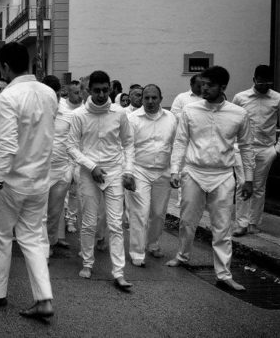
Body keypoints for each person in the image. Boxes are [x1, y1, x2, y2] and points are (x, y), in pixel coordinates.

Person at [0, 42, 56, 319]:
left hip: (12, 181)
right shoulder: (49, 93)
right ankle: (44, 298)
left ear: (6, 67)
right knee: (33, 239)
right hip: (39, 179)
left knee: (0, 238)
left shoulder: (8, 97)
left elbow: (8, 144)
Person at [167, 65, 254, 291]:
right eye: (202, 84)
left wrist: (249, 179)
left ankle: (224, 274)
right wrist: (175, 170)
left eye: (210, 85)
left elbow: (246, 148)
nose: (204, 88)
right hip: (194, 172)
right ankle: (182, 255)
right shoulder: (191, 110)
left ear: (223, 87)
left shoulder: (239, 113)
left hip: (223, 175)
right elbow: (181, 141)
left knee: (223, 226)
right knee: (187, 221)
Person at [67, 70, 135, 291]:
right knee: (88, 222)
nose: (101, 94)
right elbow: (71, 147)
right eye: (97, 91)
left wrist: (128, 170)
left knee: (115, 224)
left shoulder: (119, 113)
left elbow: (128, 143)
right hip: (89, 173)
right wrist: (91, 166)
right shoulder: (79, 115)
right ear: (89, 91)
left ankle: (119, 273)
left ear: (110, 89)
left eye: (105, 90)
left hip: (114, 171)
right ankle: (87, 263)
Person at [126, 84, 177, 266]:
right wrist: (128, 172)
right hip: (140, 170)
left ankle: (153, 244)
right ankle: (137, 252)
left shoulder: (171, 118)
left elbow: (176, 146)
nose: (150, 101)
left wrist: (175, 171)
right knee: (140, 212)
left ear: (161, 99)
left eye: (154, 98)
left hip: (163, 171)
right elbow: (128, 147)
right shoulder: (132, 119)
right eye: (146, 98)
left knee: (158, 213)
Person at [232, 65, 280, 236]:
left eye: (267, 83)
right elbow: (231, 121)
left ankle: (253, 222)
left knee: (259, 187)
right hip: (243, 148)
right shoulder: (240, 98)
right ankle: (241, 223)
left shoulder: (277, 98)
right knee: (243, 184)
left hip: (266, 149)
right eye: (260, 82)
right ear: (254, 80)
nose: (263, 86)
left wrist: (276, 149)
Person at [42, 75, 75, 255]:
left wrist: (70, 169)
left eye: (54, 94)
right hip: (39, 170)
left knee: (55, 212)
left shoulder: (69, 115)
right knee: (39, 213)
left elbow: (75, 142)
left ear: (59, 95)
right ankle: (41, 248)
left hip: (61, 169)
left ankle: (50, 242)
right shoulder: (35, 113)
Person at [61, 81, 84, 234]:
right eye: (75, 92)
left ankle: (71, 219)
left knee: (75, 192)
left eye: (80, 92)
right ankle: (60, 218)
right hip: (62, 156)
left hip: (80, 156)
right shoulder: (61, 106)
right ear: (68, 93)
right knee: (62, 190)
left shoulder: (86, 108)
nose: (78, 95)